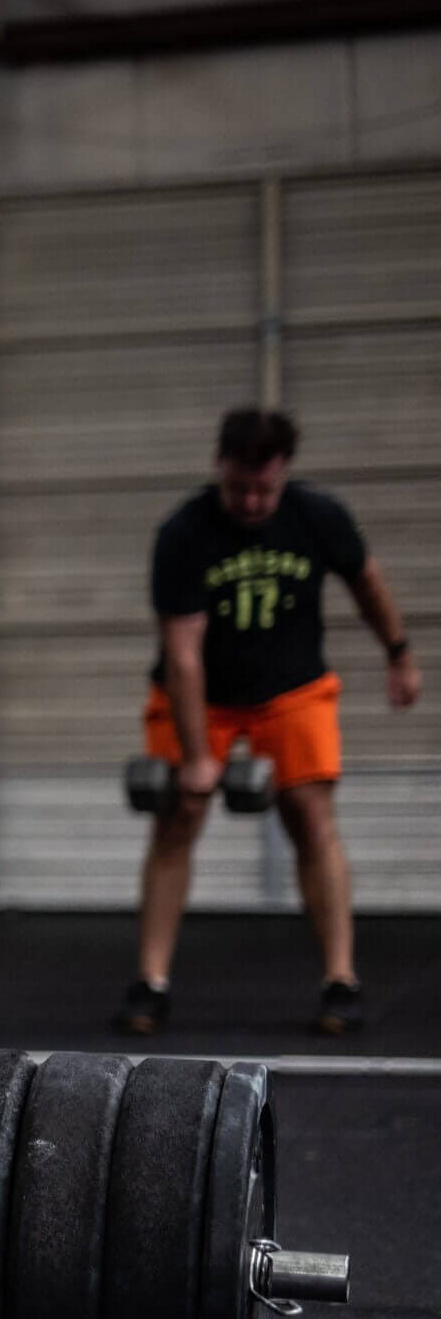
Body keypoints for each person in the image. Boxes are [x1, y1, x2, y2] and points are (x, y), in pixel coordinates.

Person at [117, 409, 419, 1038]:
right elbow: (182, 654)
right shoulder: (185, 533)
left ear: (284, 474)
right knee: (180, 819)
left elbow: (367, 582)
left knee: (311, 818)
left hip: (292, 690)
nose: (252, 502)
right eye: (239, 488)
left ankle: (341, 980)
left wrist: (398, 652)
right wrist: (200, 758)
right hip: (203, 693)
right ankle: (151, 982)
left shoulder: (317, 516)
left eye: (265, 489)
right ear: (218, 466)